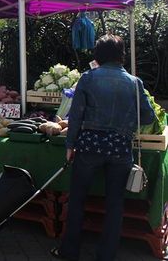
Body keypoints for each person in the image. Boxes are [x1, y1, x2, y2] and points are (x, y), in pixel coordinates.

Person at [51, 35, 156, 261]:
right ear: (121, 55)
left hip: (89, 145)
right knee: (115, 203)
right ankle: (106, 255)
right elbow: (148, 116)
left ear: (97, 54)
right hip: (120, 148)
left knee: (77, 198)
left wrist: (70, 145)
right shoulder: (134, 82)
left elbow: (76, 116)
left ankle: (69, 251)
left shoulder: (88, 78)